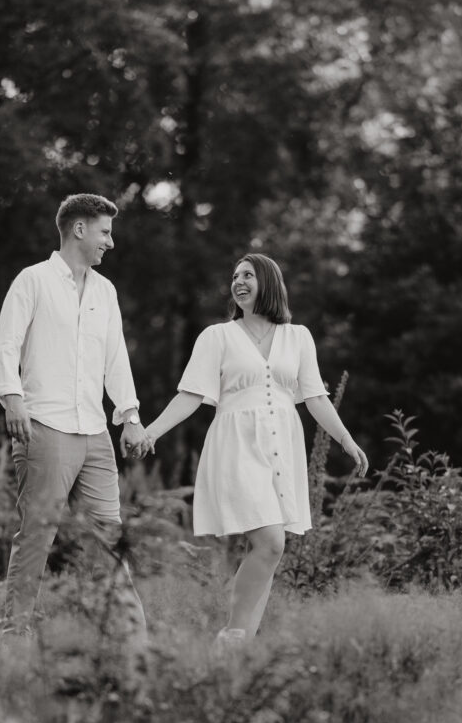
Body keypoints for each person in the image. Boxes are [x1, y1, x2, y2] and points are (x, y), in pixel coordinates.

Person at [141, 253, 369, 645]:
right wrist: (151, 431)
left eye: (247, 275)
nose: (238, 281)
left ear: (268, 281)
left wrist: (346, 440)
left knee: (270, 550)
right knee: (270, 542)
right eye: (234, 276)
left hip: (283, 445)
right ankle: (230, 636)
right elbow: (191, 395)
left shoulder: (299, 337)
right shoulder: (217, 337)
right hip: (236, 445)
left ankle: (239, 644)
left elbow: (315, 398)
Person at [0, 192, 151, 637]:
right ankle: (14, 636)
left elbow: (115, 358)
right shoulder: (33, 281)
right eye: (105, 232)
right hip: (44, 426)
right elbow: (7, 344)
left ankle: (131, 642)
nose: (110, 243)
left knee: (109, 535)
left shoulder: (105, 291)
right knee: (37, 535)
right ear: (79, 229)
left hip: (95, 432)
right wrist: (12, 397)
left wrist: (130, 415)